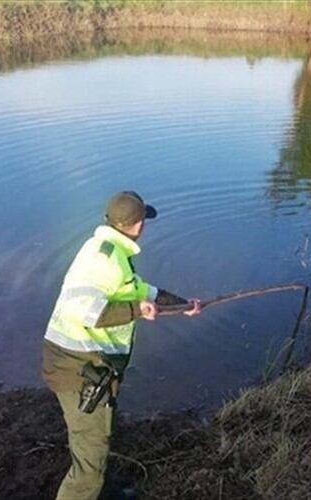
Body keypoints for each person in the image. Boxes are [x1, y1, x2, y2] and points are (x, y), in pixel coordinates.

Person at [41, 191, 201, 500]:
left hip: (86, 365)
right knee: (89, 459)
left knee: (99, 437)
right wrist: (136, 310)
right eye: (144, 221)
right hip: (77, 369)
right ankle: (88, 489)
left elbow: (141, 291)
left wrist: (184, 305)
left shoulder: (109, 251)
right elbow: (84, 311)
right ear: (138, 225)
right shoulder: (106, 260)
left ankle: (102, 490)